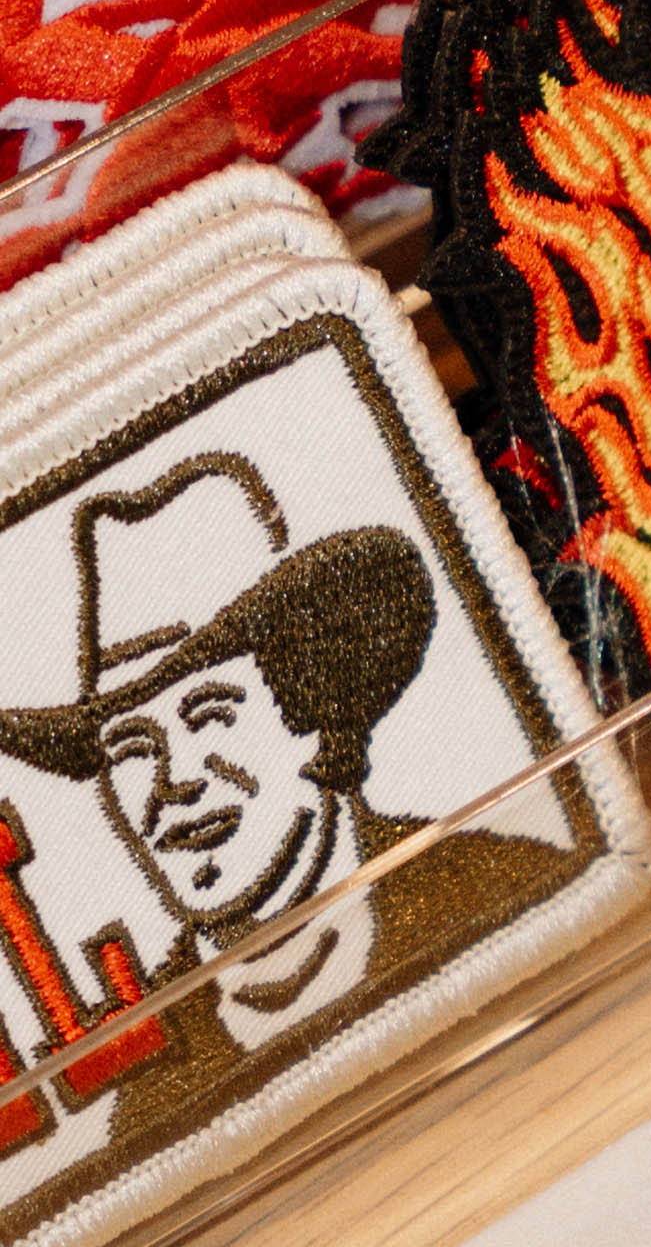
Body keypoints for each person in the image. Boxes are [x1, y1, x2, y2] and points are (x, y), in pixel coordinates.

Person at [0, 441, 580, 1183]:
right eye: (131, 748)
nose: (171, 782)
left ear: (313, 707)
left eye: (210, 714)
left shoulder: (510, 880)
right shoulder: (145, 1111)